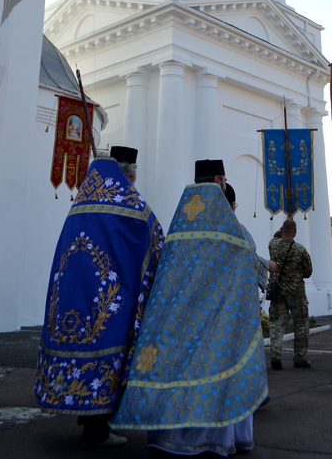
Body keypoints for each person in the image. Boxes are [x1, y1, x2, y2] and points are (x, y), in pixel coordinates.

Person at [110, 159, 269, 456]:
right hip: (215, 318)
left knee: (174, 369)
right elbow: (248, 263)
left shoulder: (181, 221)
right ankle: (212, 440)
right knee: (212, 370)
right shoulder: (230, 227)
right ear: (220, 180)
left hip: (175, 319)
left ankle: (166, 438)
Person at [34, 146, 164, 447]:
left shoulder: (81, 204)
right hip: (110, 299)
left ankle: (89, 420)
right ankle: (97, 429)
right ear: (130, 174)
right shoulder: (132, 206)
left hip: (73, 294)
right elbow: (155, 240)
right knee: (107, 347)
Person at [268, 218, 312, 370]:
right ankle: (299, 358)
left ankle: (275, 356)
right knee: (300, 325)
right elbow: (308, 272)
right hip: (296, 293)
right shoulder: (300, 250)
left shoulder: (273, 245)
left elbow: (275, 238)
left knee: (276, 324)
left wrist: (281, 230)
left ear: (282, 230)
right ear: (295, 232)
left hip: (278, 291)